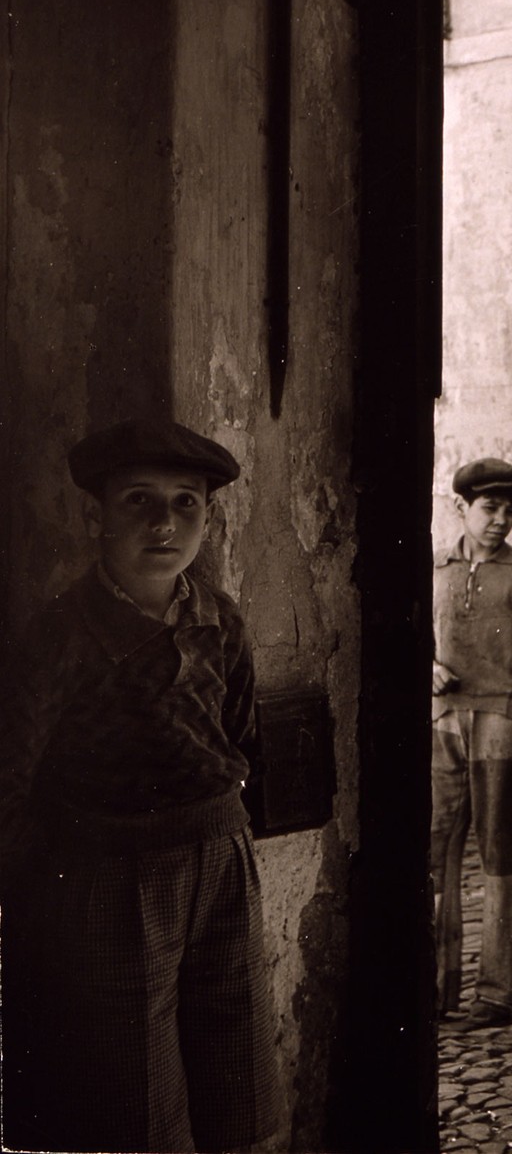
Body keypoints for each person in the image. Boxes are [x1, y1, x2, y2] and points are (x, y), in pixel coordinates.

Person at [0, 418, 282, 1154]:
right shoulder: (61, 637)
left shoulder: (219, 618)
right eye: (138, 501)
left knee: (235, 1062)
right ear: (94, 516)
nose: (164, 523)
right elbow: (11, 780)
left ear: (208, 518)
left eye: (186, 503)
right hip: (110, 878)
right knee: (134, 1093)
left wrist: (224, 831)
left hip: (218, 860)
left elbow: (243, 731)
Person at [431, 456, 512, 1027]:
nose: (501, 519)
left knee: (499, 859)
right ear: (461, 508)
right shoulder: (433, 568)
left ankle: (497, 992)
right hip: (439, 725)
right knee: (433, 858)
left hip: (503, 727)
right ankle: (436, 989)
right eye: (490, 507)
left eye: (510, 510)